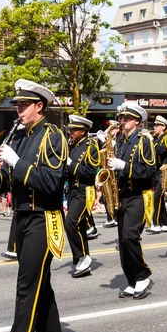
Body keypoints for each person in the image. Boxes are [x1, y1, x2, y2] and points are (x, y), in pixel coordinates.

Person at [0, 79, 67, 332]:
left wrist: (16, 162)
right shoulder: (18, 137)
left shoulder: (53, 135)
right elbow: (8, 184)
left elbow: (51, 182)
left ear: (39, 106)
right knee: (40, 287)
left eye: (23, 105)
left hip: (44, 218)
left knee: (27, 286)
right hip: (21, 217)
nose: (18, 110)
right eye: (17, 105)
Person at [105, 103, 156, 299]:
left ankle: (142, 275)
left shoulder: (144, 141)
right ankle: (132, 280)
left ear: (136, 121)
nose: (122, 121)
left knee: (130, 237)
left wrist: (124, 166)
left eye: (126, 118)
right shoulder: (120, 141)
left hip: (138, 195)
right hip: (122, 195)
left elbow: (149, 171)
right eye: (121, 118)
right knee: (123, 242)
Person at [65, 114, 100, 277]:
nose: (70, 132)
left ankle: (82, 257)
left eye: (74, 130)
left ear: (83, 131)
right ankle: (82, 259)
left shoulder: (90, 146)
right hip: (73, 190)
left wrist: (71, 165)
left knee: (70, 223)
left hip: (85, 190)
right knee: (77, 226)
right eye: (70, 129)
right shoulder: (72, 145)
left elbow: (91, 172)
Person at [151, 115, 167, 234]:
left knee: (156, 197)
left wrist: (150, 141)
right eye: (154, 125)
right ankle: (166, 223)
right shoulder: (154, 139)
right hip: (155, 172)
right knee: (158, 198)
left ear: (163, 127)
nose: (155, 127)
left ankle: (156, 223)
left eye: (157, 125)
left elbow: (160, 150)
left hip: (164, 172)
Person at [99, 120, 120, 228]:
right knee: (106, 195)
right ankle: (110, 217)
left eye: (112, 128)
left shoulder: (118, 140)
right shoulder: (109, 140)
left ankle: (114, 216)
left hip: (115, 170)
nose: (109, 130)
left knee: (114, 195)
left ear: (117, 129)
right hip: (107, 170)